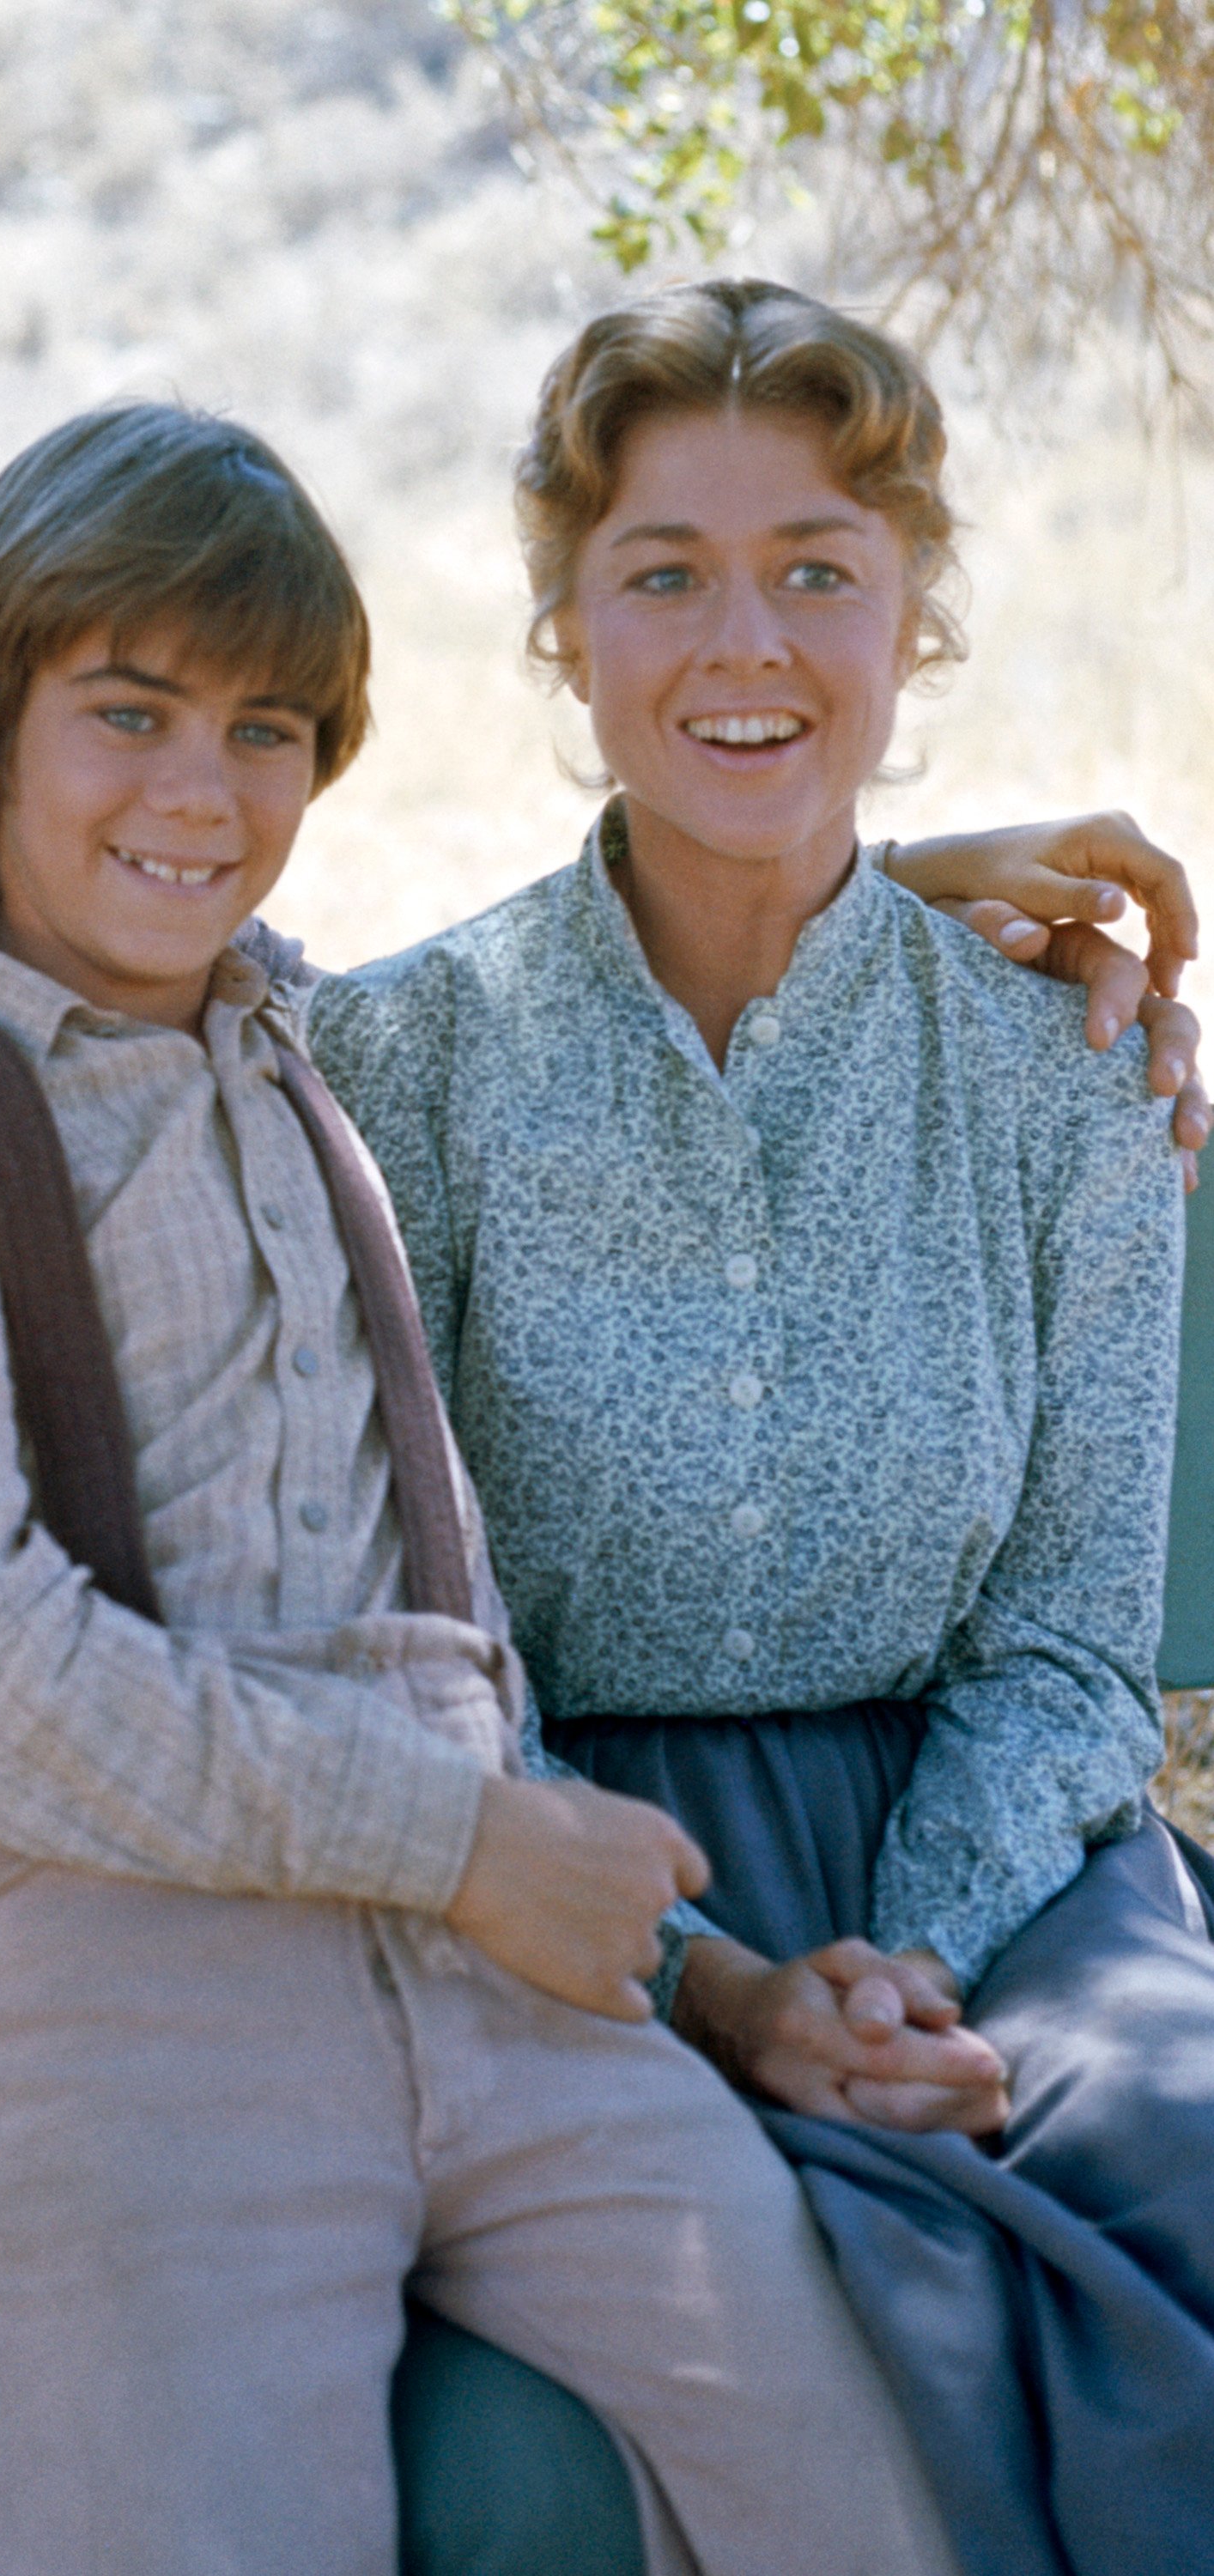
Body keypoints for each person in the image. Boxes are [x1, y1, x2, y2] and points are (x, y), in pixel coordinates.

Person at [0, 137, 1192, 2576]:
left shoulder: (54, 874)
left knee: (550, 2475)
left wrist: (848, 885)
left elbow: (328, 960)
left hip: (190, 1892)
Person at [0, 396, 972, 2576]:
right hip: (135, 2031)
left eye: (271, 731)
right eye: (130, 713)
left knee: (863, 2491)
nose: (202, 796)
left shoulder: (303, 1058)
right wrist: (466, 1845)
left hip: (511, 2008)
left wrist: (715, 1985)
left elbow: (457, 1677)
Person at [307, 277, 1213, 2571]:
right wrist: (723, 1990)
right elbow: (396, 1633)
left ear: (916, 612)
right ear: (561, 624)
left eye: (821, 566)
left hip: (1004, 1859)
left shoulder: (1065, 1081)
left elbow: (1076, 1645)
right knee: (674, 2337)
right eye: (666, 573)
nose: (752, 641)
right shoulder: (403, 1072)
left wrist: (906, 1956)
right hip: (552, 1873)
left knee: (1180, 2190)